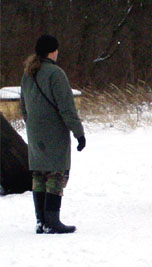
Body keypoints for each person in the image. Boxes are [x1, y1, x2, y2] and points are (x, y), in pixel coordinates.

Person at [20, 34, 86, 234]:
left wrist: (32, 124)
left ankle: (41, 221)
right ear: (53, 51)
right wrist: (79, 133)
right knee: (57, 174)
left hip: (34, 131)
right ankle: (52, 221)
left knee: (39, 174)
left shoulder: (28, 74)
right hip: (54, 132)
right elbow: (67, 108)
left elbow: (23, 106)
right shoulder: (55, 73)